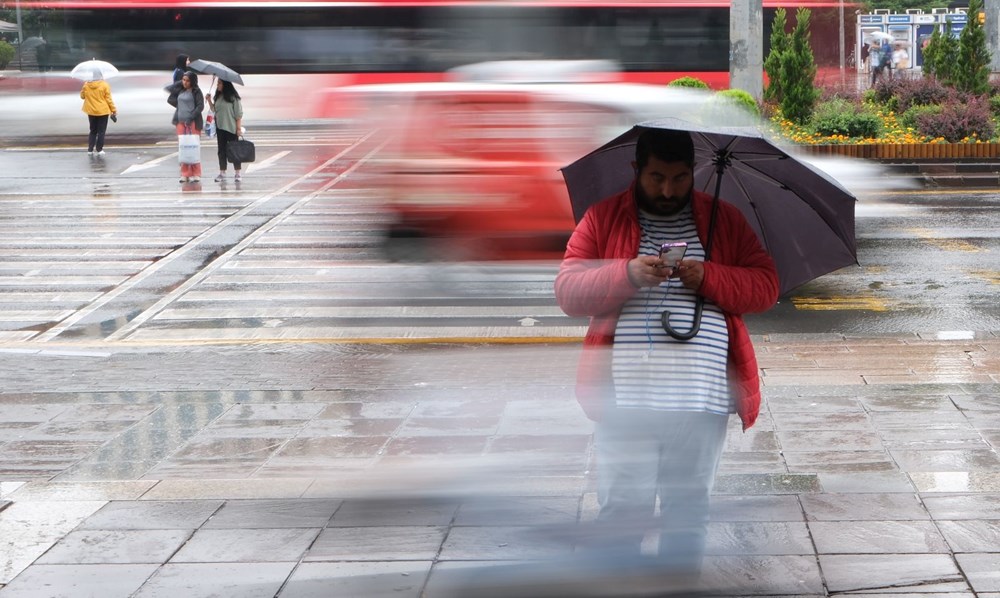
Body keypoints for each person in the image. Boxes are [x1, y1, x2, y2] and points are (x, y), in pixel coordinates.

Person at [554, 129, 779, 580]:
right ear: (637, 170)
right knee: (622, 510)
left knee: (687, 512)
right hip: (626, 401)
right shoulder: (604, 218)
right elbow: (568, 291)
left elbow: (765, 287)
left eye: (679, 178)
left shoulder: (724, 220)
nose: (668, 190)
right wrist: (627, 274)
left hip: (702, 399)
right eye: (657, 177)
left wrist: (710, 277)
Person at [165, 70, 205, 183]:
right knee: (183, 148)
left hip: (192, 122)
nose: (185, 82)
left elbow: (200, 106)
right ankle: (184, 173)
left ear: (192, 81)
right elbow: (168, 89)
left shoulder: (196, 91)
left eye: (187, 80)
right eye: (183, 80)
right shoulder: (180, 89)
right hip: (180, 122)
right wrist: (179, 83)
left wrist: (191, 116)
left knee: (193, 147)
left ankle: (196, 173)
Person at [205, 79, 244, 182]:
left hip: (231, 128)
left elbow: (238, 114)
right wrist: (209, 100)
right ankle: (222, 173)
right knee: (221, 151)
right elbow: (214, 110)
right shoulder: (218, 97)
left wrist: (238, 129)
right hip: (220, 128)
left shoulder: (234, 98)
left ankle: (238, 173)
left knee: (235, 151)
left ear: (226, 84)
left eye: (220, 83)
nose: (218, 85)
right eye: (218, 83)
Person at [79, 68, 117, 156]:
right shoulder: (105, 85)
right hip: (102, 111)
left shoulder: (86, 84)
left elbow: (82, 96)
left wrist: (84, 89)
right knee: (101, 131)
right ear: (101, 75)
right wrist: (113, 110)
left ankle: (90, 149)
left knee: (92, 130)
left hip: (91, 111)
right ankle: (99, 149)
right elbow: (108, 99)